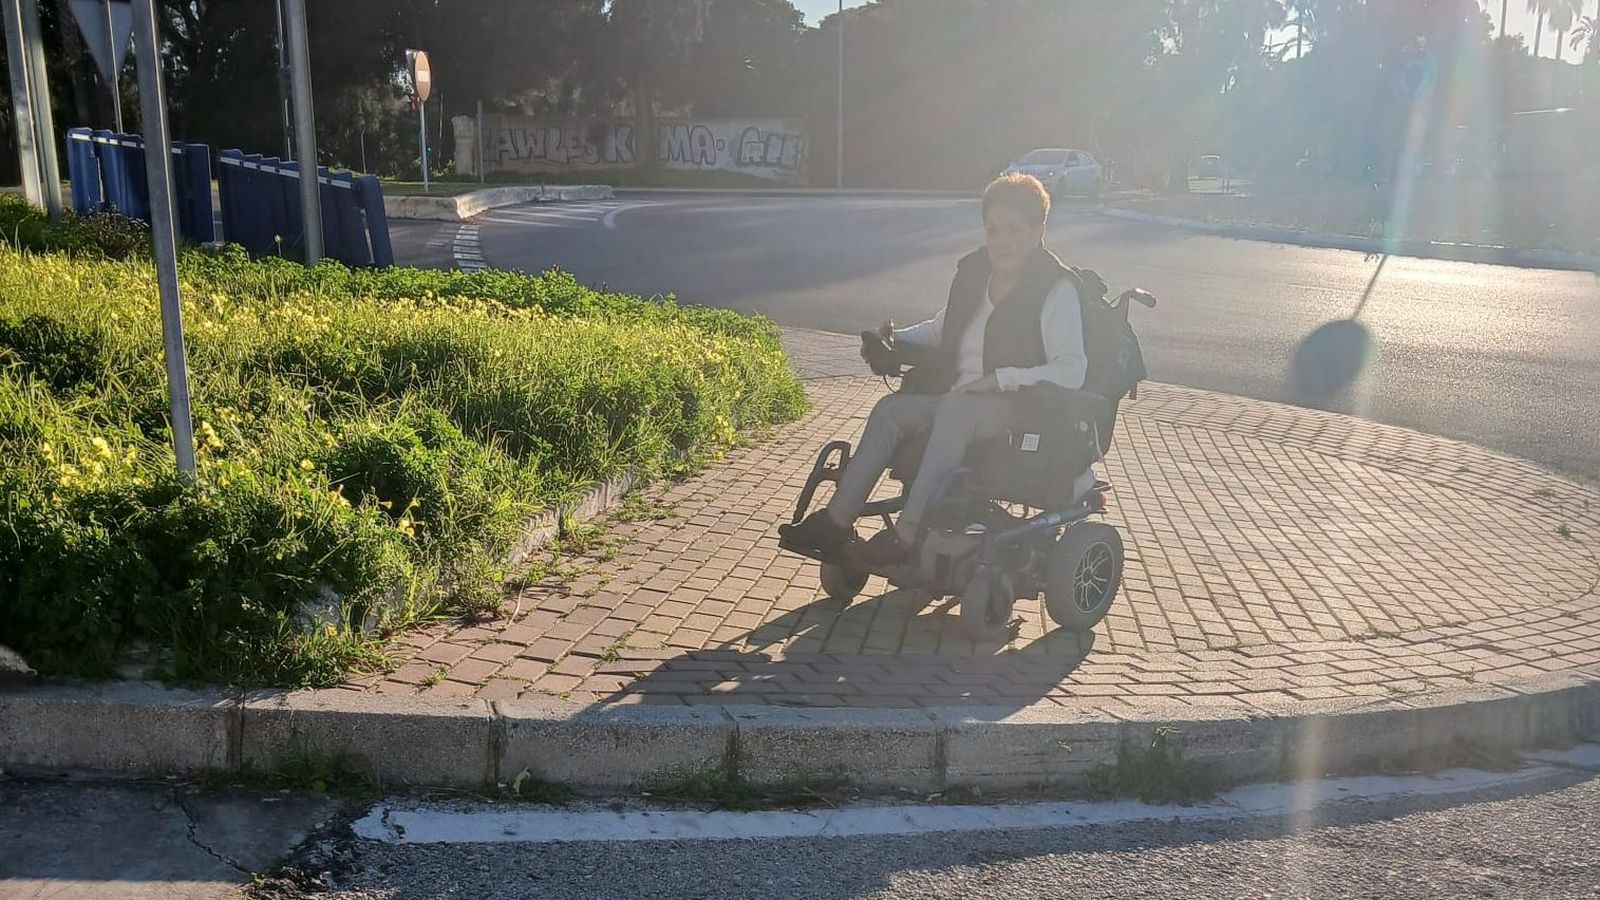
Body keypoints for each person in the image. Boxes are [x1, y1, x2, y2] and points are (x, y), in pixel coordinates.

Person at [781, 173, 1091, 566]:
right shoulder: (976, 273)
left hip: (1016, 406)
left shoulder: (1056, 289)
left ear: (1038, 231)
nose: (1002, 241)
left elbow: (1072, 369)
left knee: (954, 411)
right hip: (959, 396)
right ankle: (837, 523)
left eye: (1014, 230)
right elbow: (942, 329)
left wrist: (1003, 378)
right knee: (890, 411)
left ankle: (908, 533)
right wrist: (894, 343)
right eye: (993, 230)